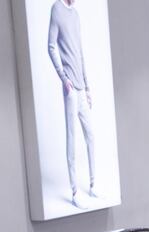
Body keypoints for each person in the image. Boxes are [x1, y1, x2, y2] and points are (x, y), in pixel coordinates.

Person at [48, 0, 97, 210]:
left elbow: (80, 52)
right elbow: (51, 46)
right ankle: (75, 191)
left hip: (80, 87)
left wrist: (87, 87)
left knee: (91, 135)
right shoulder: (57, 9)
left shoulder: (75, 15)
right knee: (72, 138)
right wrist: (63, 77)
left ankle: (93, 184)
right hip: (70, 89)